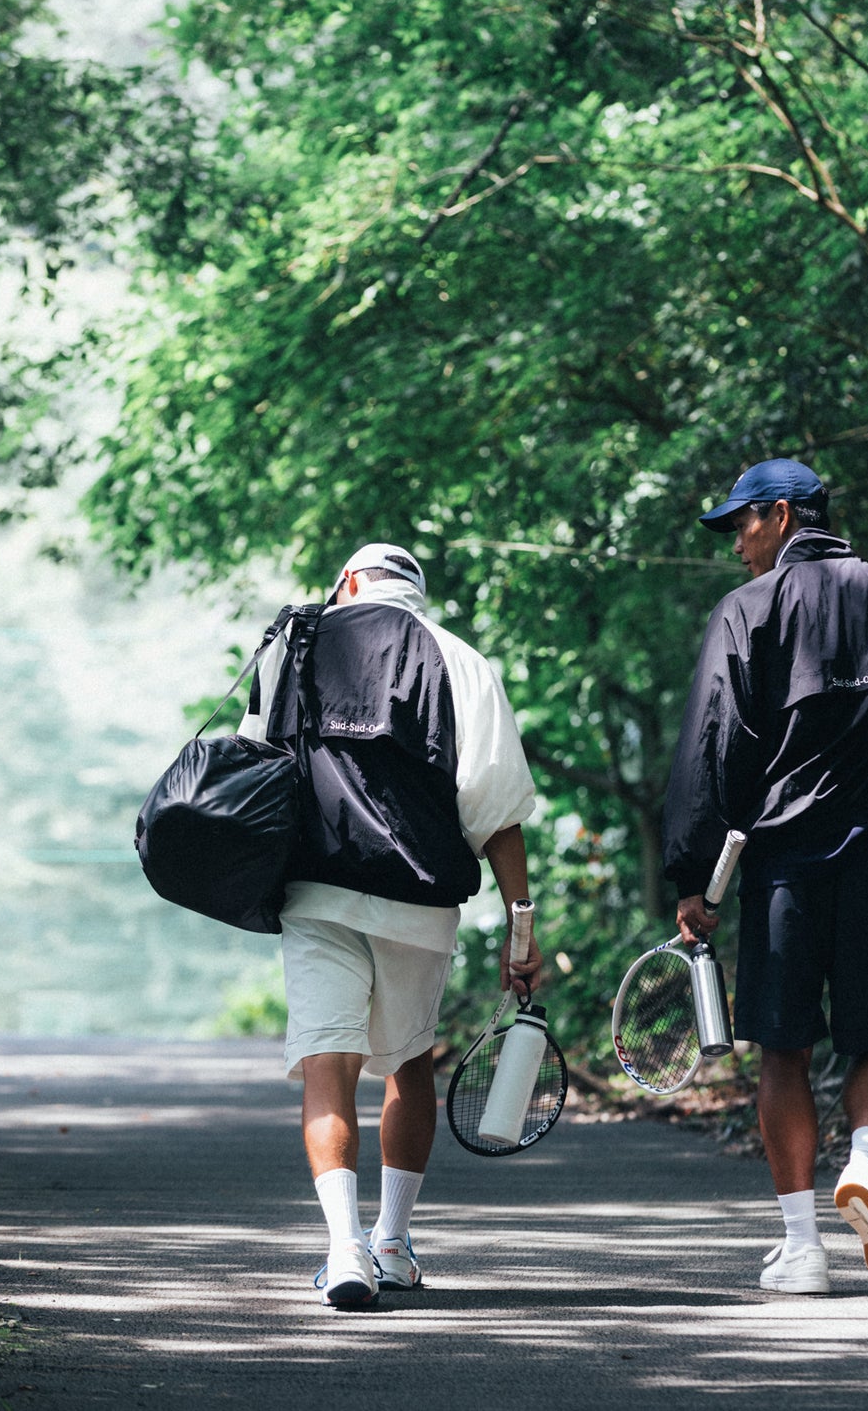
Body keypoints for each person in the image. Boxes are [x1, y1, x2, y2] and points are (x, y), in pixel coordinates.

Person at [662, 459, 868, 1295]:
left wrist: (694, 875)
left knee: (783, 1045)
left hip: (779, 863)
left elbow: (713, 743)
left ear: (780, 516)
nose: (735, 544)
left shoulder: (747, 609)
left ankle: (803, 1248)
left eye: (740, 524)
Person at [240, 541, 542, 1308]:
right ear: (417, 594)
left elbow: (256, 762)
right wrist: (521, 929)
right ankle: (393, 1243)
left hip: (317, 889)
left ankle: (343, 1251)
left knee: (327, 1064)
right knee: (408, 1063)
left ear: (348, 583)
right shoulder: (459, 659)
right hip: (419, 900)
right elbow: (496, 809)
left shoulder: (297, 642)